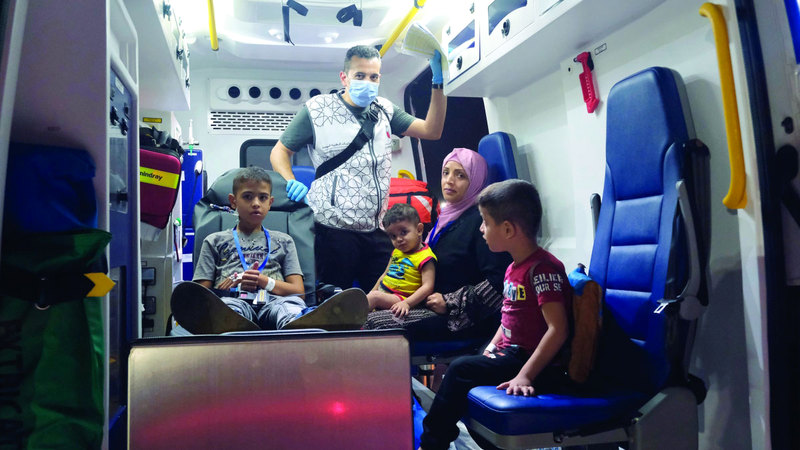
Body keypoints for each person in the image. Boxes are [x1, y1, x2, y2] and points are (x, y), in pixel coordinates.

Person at [270, 44, 447, 291]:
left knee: (383, 299)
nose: (367, 82)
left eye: (373, 77)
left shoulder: (385, 110)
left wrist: (438, 82)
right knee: (335, 302)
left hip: (378, 229)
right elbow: (279, 151)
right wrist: (290, 180)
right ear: (344, 78)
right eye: (360, 75)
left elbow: (432, 130)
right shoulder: (318, 109)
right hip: (333, 229)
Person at [419, 179, 573, 450]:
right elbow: (508, 316)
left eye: (485, 222)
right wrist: (490, 348)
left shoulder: (542, 270)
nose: (481, 229)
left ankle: (432, 444)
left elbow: (557, 329)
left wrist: (525, 375)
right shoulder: (513, 268)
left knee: (460, 370)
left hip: (537, 364)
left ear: (508, 229)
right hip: (510, 354)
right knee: (466, 370)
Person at [170, 167, 368, 334]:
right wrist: (227, 288)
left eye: (262, 198)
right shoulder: (214, 241)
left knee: (288, 308)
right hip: (233, 300)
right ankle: (228, 325)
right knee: (230, 308)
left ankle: (302, 323)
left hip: (276, 301)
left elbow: (298, 292)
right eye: (248, 196)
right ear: (233, 201)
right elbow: (201, 294)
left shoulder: (284, 241)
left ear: (270, 203)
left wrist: (264, 281)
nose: (256, 203)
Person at [363, 148, 512, 342]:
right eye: (445, 173)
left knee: (373, 325)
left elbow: (499, 282)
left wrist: (449, 302)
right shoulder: (445, 219)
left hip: (457, 317)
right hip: (427, 306)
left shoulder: (480, 222)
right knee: (361, 317)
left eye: (460, 175)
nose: (449, 180)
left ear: (475, 181)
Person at [367, 203, 437, 317]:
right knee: (367, 296)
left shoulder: (426, 257)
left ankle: (348, 321)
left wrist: (407, 303)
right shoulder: (397, 251)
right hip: (383, 293)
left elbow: (428, 287)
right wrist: (372, 291)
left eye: (403, 232)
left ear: (419, 230)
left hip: (402, 298)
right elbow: (385, 274)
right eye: (393, 236)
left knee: (373, 298)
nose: (398, 239)